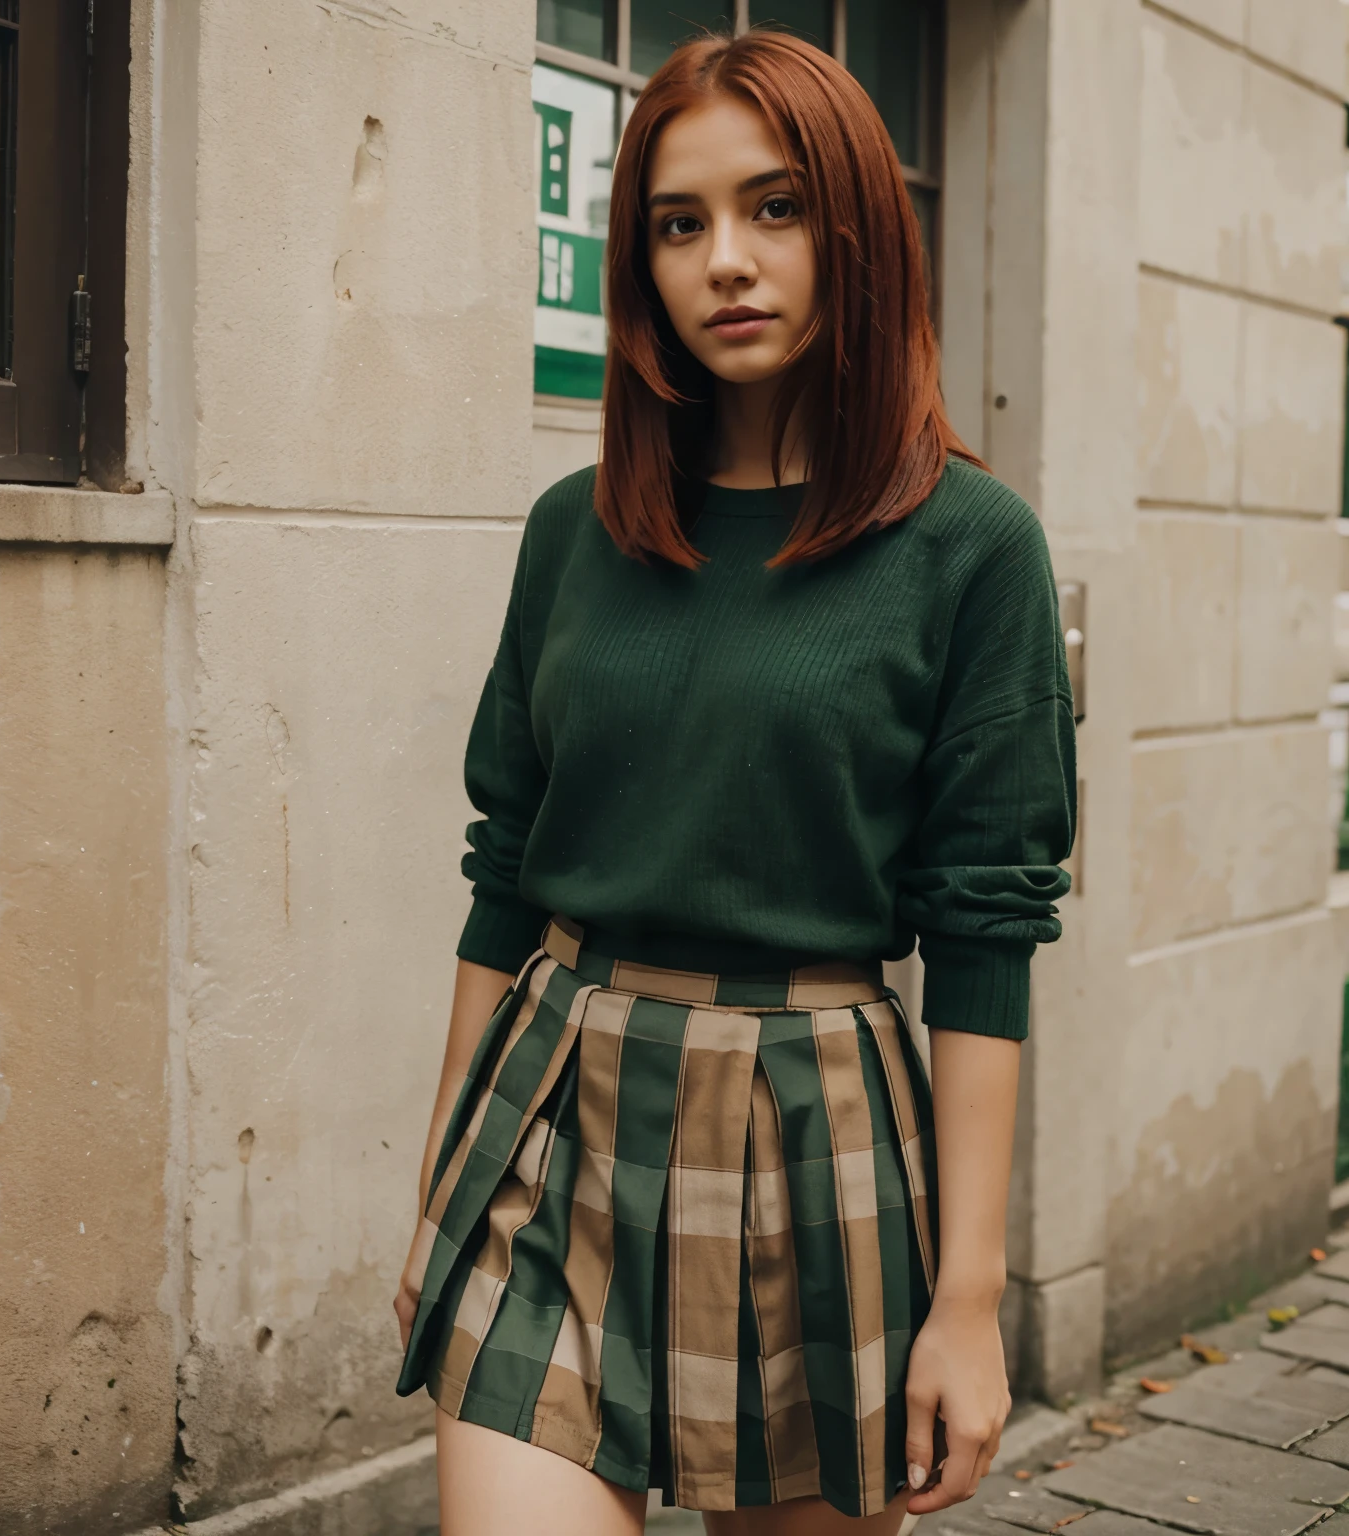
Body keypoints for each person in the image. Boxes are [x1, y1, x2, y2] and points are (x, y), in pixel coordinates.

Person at [394, 28, 1075, 1536]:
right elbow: (505, 865)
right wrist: (446, 1178)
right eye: (680, 223)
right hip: (556, 1101)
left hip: (813, 1122)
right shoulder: (574, 530)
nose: (727, 263)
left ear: (857, 231)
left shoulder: (972, 547)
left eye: (775, 209)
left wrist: (967, 1301)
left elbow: (986, 935)